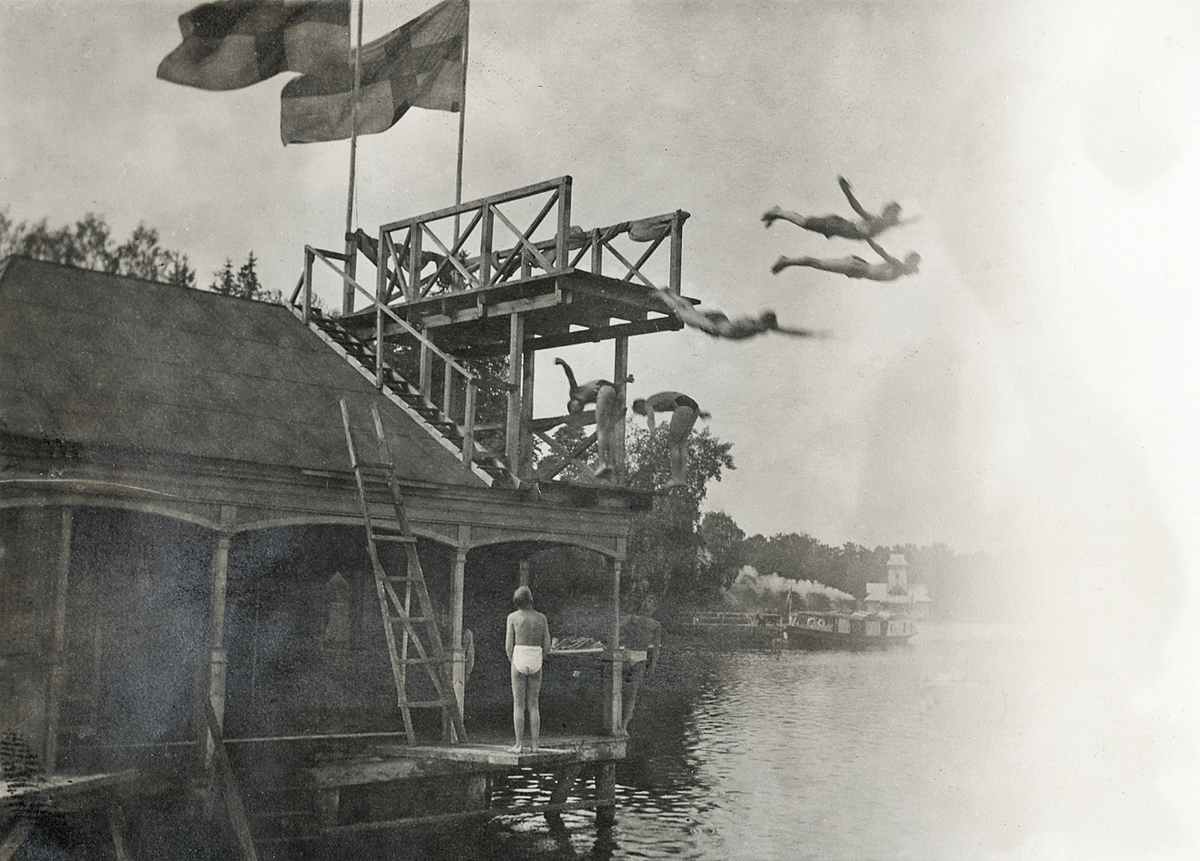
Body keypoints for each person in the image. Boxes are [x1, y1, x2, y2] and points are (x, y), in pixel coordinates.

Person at [553, 358, 632, 478]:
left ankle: (602, 463)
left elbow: (570, 376)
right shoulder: (588, 397)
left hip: (606, 391)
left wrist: (563, 363)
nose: (580, 409)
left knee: (601, 429)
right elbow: (613, 386)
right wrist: (626, 380)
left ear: (571, 403)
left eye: (576, 409)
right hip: (616, 395)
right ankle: (611, 463)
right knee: (609, 429)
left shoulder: (574, 393)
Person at [651, 288, 828, 341]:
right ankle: (663, 295)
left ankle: (670, 294)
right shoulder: (758, 326)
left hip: (719, 321)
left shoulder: (759, 325)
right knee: (682, 313)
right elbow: (788, 331)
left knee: (689, 310)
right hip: (715, 324)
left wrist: (813, 334)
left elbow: (790, 331)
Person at [761, 176, 907, 241]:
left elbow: (900, 222)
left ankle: (778, 213)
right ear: (887, 213)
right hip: (836, 225)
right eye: (893, 215)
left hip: (837, 226)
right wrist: (846, 190)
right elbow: (858, 209)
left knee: (804, 222)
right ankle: (778, 212)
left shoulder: (883, 224)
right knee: (804, 222)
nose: (894, 219)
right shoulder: (877, 221)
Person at [506, 585, 552, 753]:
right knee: (533, 704)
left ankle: (519, 745)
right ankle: (535, 745)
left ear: (516, 601)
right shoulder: (541, 618)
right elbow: (547, 646)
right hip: (535, 656)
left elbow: (508, 646)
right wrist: (539, 658)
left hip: (519, 654)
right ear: (531, 600)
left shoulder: (512, 617)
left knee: (518, 704)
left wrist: (513, 661)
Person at [631, 391, 705, 488]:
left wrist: (652, 434)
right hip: (694, 408)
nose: (643, 415)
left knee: (672, 442)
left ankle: (676, 478)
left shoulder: (648, 403)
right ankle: (682, 478)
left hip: (682, 406)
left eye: (640, 413)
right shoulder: (656, 399)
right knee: (682, 442)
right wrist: (700, 414)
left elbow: (650, 418)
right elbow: (678, 398)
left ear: (639, 406)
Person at [771, 237, 920, 282]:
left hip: (857, 269)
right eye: (913, 265)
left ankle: (787, 261)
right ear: (908, 261)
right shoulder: (898, 266)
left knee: (817, 264)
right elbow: (881, 252)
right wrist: (868, 238)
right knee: (817, 263)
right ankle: (786, 261)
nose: (912, 270)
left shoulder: (899, 272)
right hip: (856, 266)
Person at [620, 597, 663, 734]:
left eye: (649, 602)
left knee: (632, 693)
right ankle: (615, 721)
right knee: (620, 689)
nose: (645, 603)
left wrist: (653, 665)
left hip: (640, 657)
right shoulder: (632, 618)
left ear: (654, 608)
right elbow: (616, 627)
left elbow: (656, 648)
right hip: (627, 654)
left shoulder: (656, 625)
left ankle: (624, 725)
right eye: (645, 601)